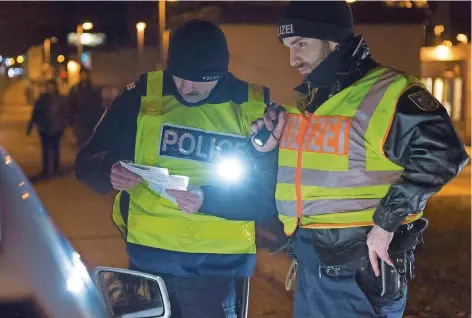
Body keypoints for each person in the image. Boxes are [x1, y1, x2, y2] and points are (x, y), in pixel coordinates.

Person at [168, 2, 469, 317]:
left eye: (300, 44)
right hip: (313, 267)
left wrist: (387, 221)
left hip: (360, 272)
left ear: (333, 40)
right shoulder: (305, 105)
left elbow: (446, 153)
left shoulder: (389, 92)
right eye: (288, 47)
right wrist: (265, 151)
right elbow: (284, 186)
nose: (293, 58)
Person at [75, 20, 272, 318]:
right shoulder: (142, 97)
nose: (186, 88)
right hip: (149, 266)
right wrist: (108, 170)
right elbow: (85, 162)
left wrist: (208, 199)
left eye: (198, 80)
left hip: (216, 272)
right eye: (179, 77)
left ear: (221, 72)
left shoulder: (253, 107)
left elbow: (268, 197)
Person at [27, 80, 68, 176]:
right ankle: (45, 168)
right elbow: (35, 112)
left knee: (56, 148)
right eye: (48, 86)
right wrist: (31, 125)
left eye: (51, 86)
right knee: (45, 149)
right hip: (44, 128)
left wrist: (63, 125)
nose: (50, 88)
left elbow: (65, 113)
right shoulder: (42, 99)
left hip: (56, 127)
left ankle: (56, 167)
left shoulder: (60, 99)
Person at [68, 67, 103, 150]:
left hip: (92, 120)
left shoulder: (94, 88)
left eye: (85, 74)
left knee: (90, 143)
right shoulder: (75, 89)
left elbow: (98, 105)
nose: (84, 76)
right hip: (79, 120)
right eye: (82, 74)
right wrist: (70, 122)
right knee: (81, 143)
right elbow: (70, 105)